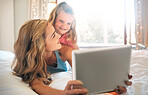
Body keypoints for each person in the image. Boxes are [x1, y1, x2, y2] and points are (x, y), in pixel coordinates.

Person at [11, 19, 88, 95]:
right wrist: (63, 93)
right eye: (53, 35)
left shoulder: (64, 51)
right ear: (40, 45)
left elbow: (83, 72)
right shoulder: (33, 62)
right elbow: (37, 85)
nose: (59, 35)